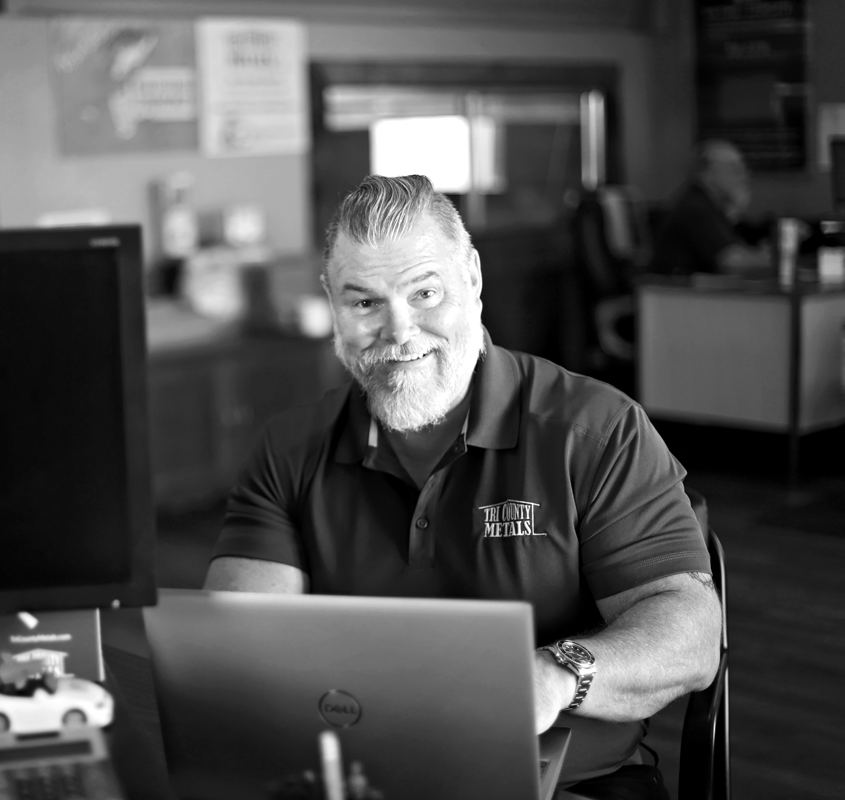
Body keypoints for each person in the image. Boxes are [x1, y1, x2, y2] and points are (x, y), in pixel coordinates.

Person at [205, 175, 721, 799]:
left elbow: (690, 635)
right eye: (364, 303)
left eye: (425, 292)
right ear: (332, 304)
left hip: (566, 785)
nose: (399, 333)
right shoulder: (290, 448)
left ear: (473, 279)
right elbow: (240, 645)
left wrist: (557, 676)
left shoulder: (593, 430)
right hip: (364, 779)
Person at [650, 139, 772, 276]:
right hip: (678, 295)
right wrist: (770, 257)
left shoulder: (707, 204)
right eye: (735, 169)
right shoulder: (696, 207)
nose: (744, 176)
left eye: (743, 169)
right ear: (708, 174)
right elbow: (732, 262)